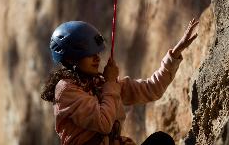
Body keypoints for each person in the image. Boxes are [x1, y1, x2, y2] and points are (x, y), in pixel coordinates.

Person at [41, 19, 199, 145]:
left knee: (161, 141)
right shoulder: (66, 90)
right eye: (89, 54)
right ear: (70, 59)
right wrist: (110, 82)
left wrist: (175, 54)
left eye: (97, 52)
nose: (97, 58)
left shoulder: (101, 83)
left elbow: (152, 89)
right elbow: (103, 122)